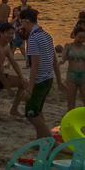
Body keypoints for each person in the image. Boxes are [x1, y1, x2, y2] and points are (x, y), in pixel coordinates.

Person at [17, 8, 63, 138]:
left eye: (22, 22)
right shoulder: (47, 35)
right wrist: (58, 80)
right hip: (48, 78)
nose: (21, 26)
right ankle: (41, 140)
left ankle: (49, 141)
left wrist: (30, 88)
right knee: (38, 111)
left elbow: (35, 65)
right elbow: (54, 60)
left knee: (31, 113)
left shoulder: (33, 39)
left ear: (27, 21)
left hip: (40, 80)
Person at [0, 21, 26, 119]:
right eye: (8, 33)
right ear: (0, 34)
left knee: (24, 83)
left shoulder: (6, 46)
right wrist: (8, 89)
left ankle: (14, 109)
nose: (11, 35)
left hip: (0, 78)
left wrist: (21, 76)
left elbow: (14, 63)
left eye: (12, 33)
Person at [60, 28, 85, 110]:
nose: (81, 39)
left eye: (83, 38)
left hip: (84, 76)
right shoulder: (68, 46)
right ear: (74, 35)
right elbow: (63, 59)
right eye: (79, 37)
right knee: (71, 103)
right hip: (71, 76)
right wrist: (59, 62)